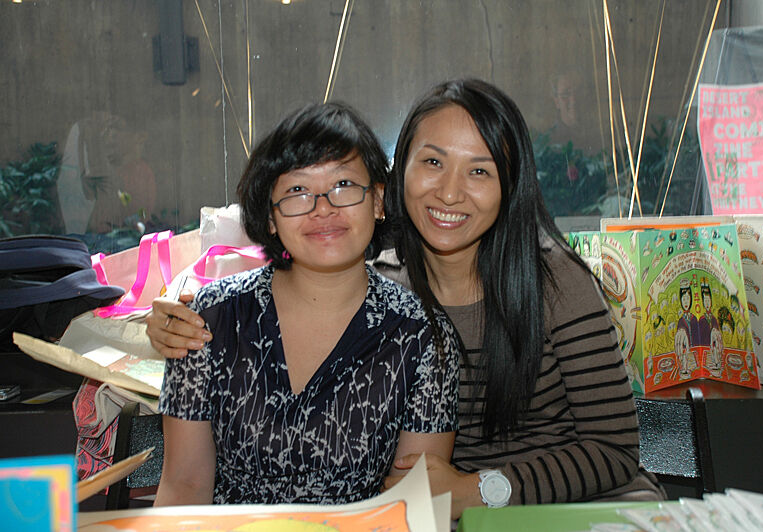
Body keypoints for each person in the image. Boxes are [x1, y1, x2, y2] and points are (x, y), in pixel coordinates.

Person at [147, 79, 664, 517]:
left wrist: (475, 489)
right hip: (456, 515)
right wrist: (167, 324)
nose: (449, 192)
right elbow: (291, 283)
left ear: (510, 185)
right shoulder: (384, 282)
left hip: (585, 509)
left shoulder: (553, 281)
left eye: (479, 171)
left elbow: (615, 451)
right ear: (398, 177)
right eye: (433, 162)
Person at [152, 102, 460, 507]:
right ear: (271, 216)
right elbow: (184, 487)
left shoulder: (423, 338)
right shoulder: (210, 319)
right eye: (297, 191)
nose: (323, 208)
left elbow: (414, 504)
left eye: (344, 185)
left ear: (379, 201)